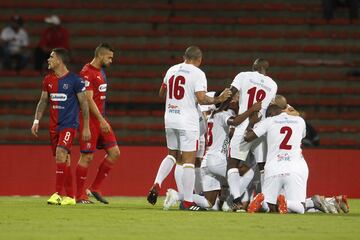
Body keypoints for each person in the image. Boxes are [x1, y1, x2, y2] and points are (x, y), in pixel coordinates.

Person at [147, 46, 231, 210]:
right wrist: (218, 99)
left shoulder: (171, 70)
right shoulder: (198, 73)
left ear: (184, 56)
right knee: (188, 162)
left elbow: (161, 93)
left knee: (172, 155)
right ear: (199, 60)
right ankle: (187, 200)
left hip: (169, 118)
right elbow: (201, 99)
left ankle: (157, 182)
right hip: (187, 121)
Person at [163, 93, 262, 210]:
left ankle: (177, 195)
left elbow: (229, 133)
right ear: (230, 102)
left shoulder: (214, 115)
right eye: (236, 99)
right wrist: (251, 111)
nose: (238, 101)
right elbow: (234, 126)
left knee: (208, 202)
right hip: (218, 159)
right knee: (246, 172)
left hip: (207, 162)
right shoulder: (225, 114)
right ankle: (232, 202)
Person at [31, 48, 90, 205]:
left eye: (51, 57)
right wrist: (36, 121)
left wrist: (86, 127)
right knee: (65, 160)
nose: (48, 60)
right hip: (54, 126)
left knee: (60, 153)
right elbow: (43, 101)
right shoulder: (48, 80)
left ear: (59, 60)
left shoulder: (75, 80)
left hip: (69, 125)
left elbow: (84, 104)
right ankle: (70, 197)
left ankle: (57, 193)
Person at [223, 58, 278, 211]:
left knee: (232, 164)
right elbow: (265, 108)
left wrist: (221, 108)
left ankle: (236, 201)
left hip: (243, 126)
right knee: (263, 166)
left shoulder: (243, 76)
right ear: (266, 68)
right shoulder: (273, 84)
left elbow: (229, 94)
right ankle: (268, 203)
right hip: (260, 127)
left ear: (255, 66)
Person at [75, 43, 120, 204]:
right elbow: (87, 99)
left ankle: (94, 188)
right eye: (109, 57)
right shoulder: (86, 73)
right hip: (89, 120)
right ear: (100, 56)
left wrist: (102, 119)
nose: (111, 61)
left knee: (114, 152)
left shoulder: (101, 72)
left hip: (100, 118)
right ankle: (79, 196)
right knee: (87, 156)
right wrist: (98, 121)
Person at [245, 104, 308, 214]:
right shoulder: (299, 121)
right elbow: (302, 136)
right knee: (300, 208)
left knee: (270, 207)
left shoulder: (269, 121)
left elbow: (248, 137)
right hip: (293, 168)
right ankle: (287, 203)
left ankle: (262, 203)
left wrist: (251, 123)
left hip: (273, 168)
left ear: (270, 114)